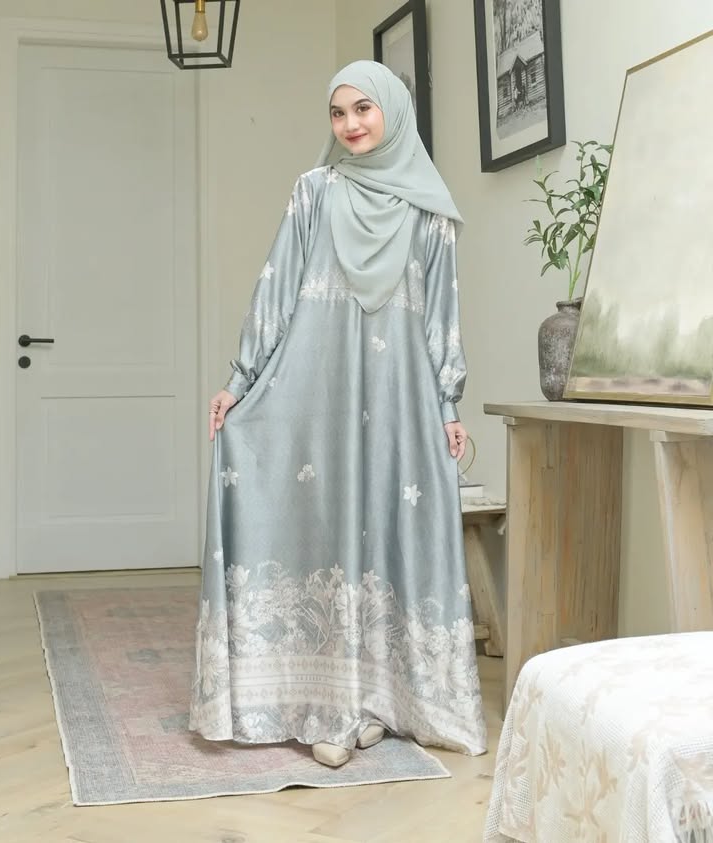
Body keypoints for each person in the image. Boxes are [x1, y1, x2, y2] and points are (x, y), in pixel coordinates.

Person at [189, 60, 487, 768]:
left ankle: (377, 702)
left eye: (363, 109)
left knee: (387, 530)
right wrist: (238, 381)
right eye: (337, 112)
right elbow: (275, 289)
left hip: (398, 397)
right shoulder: (314, 192)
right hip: (315, 391)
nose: (350, 124)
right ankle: (330, 707)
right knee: (322, 530)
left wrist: (448, 404)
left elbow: (442, 319)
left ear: (392, 113)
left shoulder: (430, 212)